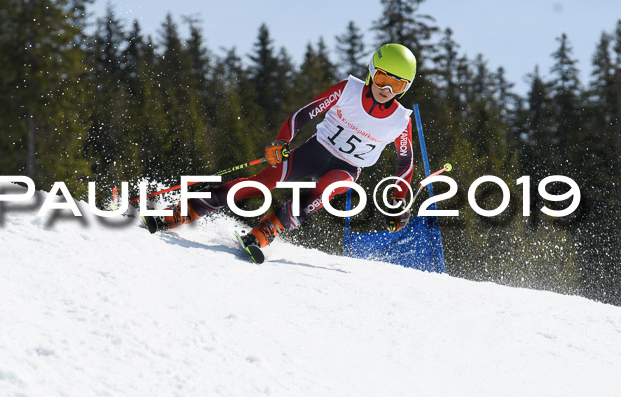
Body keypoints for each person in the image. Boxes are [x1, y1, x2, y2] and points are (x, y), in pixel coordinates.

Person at [143, 43, 416, 249]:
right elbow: (303, 114)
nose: (387, 90)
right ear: (371, 71)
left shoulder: (400, 120)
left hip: (346, 168)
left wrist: (399, 199)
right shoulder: (348, 90)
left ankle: (267, 230)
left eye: (397, 84)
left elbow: (406, 163)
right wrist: (282, 141)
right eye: (382, 79)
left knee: (333, 185)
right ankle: (183, 211)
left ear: (405, 87)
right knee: (259, 184)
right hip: (314, 152)